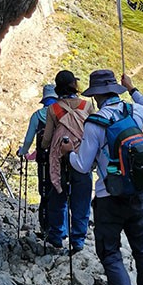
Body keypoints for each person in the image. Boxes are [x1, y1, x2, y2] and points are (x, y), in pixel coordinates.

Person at [61, 69, 143, 285]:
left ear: (96, 96)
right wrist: (133, 88)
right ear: (115, 90)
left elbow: (83, 165)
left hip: (109, 197)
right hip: (138, 195)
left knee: (110, 252)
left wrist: (69, 152)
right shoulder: (134, 112)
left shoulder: (95, 123)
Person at [41, 70, 93, 252]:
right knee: (82, 201)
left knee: (58, 198)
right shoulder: (87, 106)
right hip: (82, 159)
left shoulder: (53, 109)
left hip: (60, 160)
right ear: (74, 85)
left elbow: (47, 139)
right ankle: (78, 240)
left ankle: (56, 235)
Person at [17, 83, 57, 235]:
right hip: (61, 160)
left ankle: (45, 227)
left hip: (44, 160)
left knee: (45, 192)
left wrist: (23, 152)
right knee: (60, 193)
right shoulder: (62, 114)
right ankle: (60, 229)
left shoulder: (37, 116)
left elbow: (28, 140)